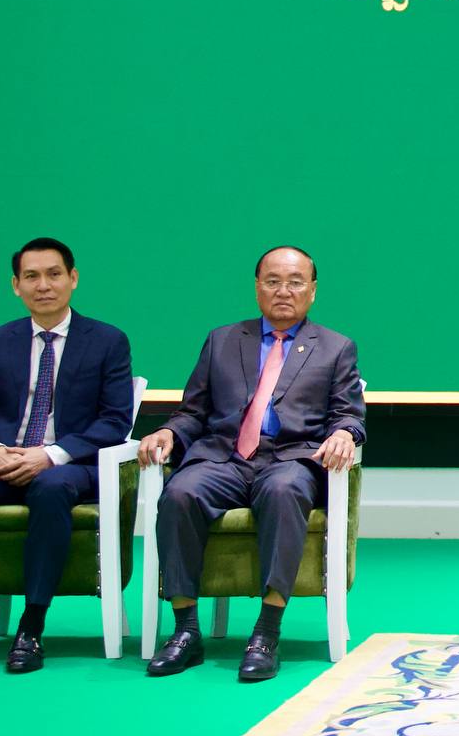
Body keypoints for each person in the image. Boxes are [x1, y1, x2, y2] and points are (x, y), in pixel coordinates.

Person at [138, 247, 364, 682]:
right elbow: (193, 411)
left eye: (295, 282)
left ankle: (267, 632)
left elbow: (348, 414)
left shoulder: (336, 348)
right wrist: (169, 432)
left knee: (283, 492)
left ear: (312, 290)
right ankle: (185, 630)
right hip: (223, 456)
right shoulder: (222, 340)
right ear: (257, 287)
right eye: (273, 281)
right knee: (180, 493)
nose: (284, 291)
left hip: (289, 457)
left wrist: (344, 434)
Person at [0, 237, 135, 675]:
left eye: (54, 274)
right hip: (4, 460)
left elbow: (114, 421)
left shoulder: (107, 341)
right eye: (31, 277)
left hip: (70, 467)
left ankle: (31, 627)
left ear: (73, 278)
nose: (43, 285)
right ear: (16, 285)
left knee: (50, 489)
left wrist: (50, 455)